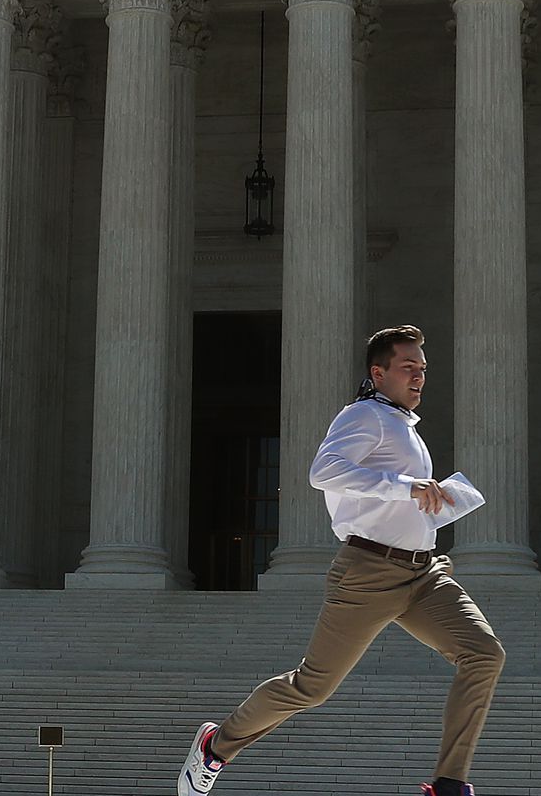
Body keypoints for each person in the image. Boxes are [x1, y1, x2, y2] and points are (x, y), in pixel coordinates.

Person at [177, 324, 505, 796]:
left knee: (484, 655)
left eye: (423, 369)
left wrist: (441, 499)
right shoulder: (364, 415)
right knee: (312, 687)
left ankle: (449, 783)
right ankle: (216, 745)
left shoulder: (404, 427)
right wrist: (406, 486)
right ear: (379, 372)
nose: (419, 377)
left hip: (425, 572)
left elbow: (396, 505)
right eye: (408, 367)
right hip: (369, 574)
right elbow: (323, 472)